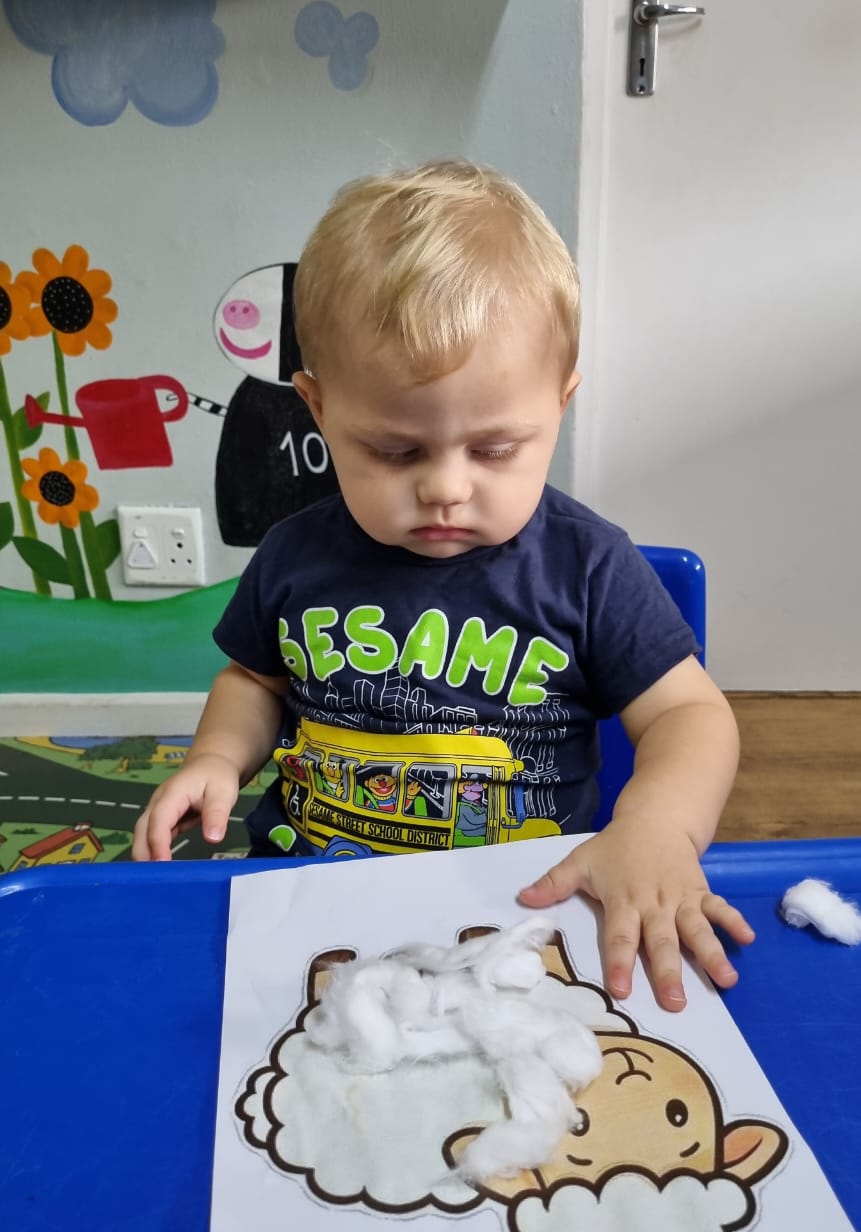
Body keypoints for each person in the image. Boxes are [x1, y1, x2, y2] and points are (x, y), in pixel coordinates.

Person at [132, 159, 753, 1011]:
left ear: (561, 403)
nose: (446, 487)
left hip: (521, 912)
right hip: (309, 893)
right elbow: (254, 681)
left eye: (495, 449)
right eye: (396, 451)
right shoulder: (292, 555)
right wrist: (215, 757)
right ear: (319, 409)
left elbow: (690, 715)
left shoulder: (590, 567)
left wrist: (656, 826)